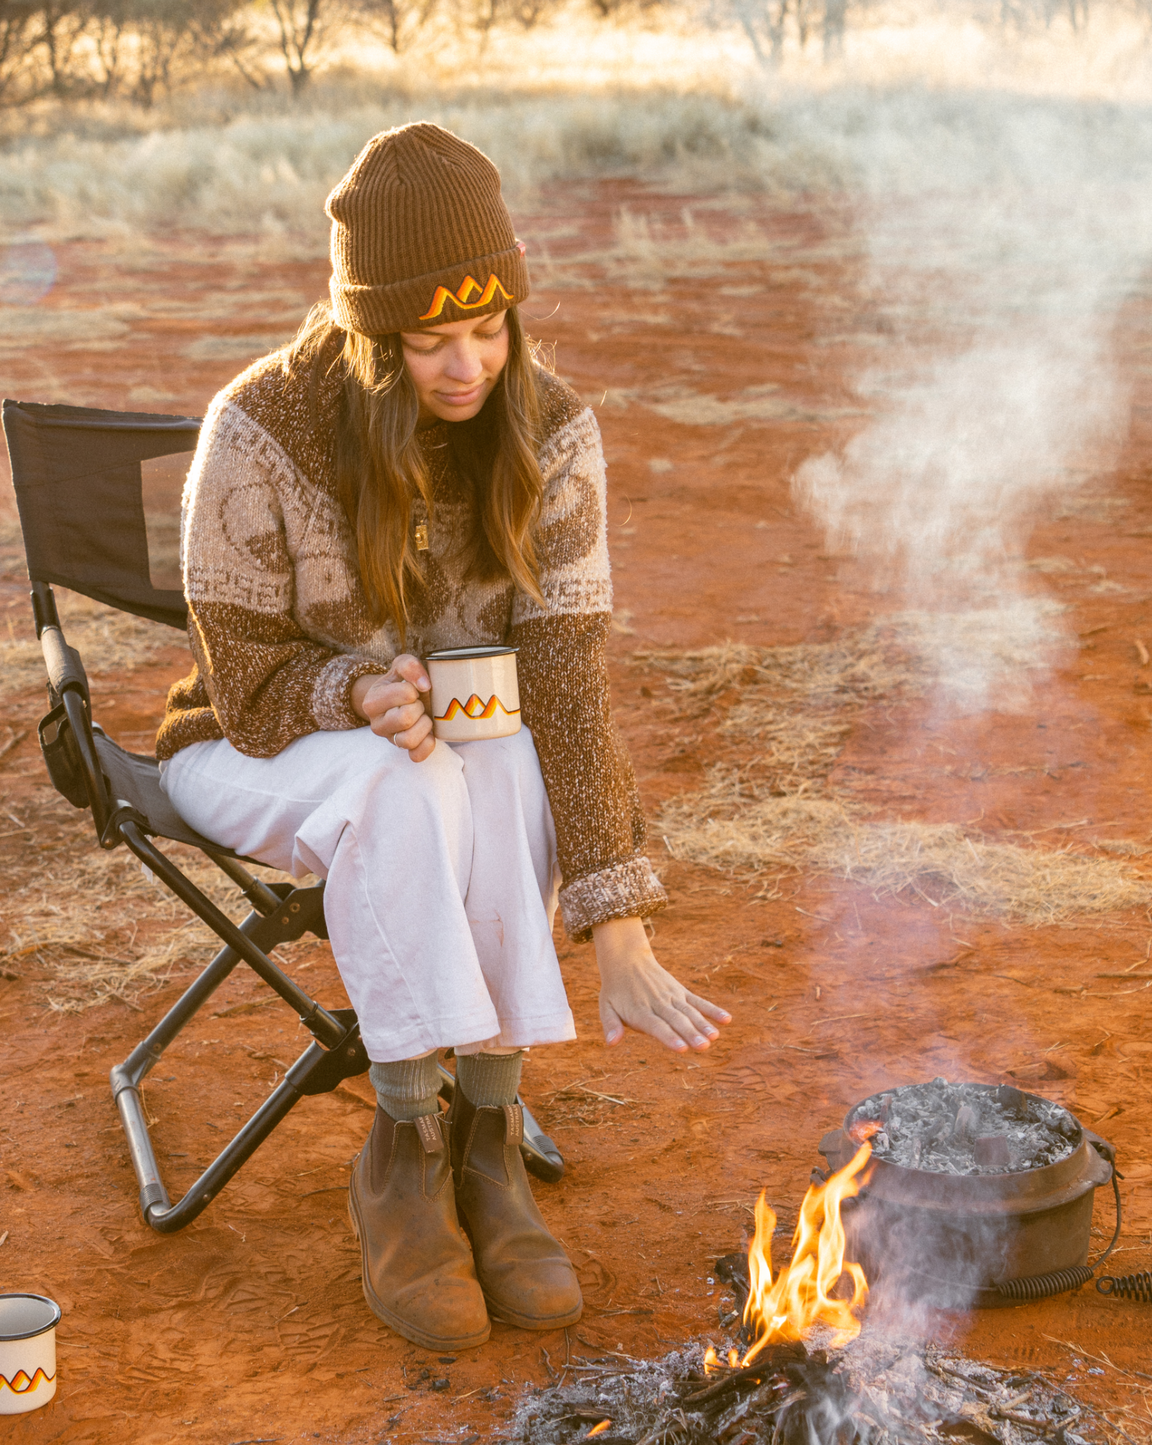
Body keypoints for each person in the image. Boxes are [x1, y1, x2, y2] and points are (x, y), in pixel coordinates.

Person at [155, 122, 731, 1351]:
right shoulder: (256, 427)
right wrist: (351, 692)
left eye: (489, 328)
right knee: (397, 778)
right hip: (254, 747)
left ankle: (487, 1136)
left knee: (503, 752)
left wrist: (616, 923)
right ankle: (402, 1146)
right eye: (428, 342)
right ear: (372, 338)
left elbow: (567, 681)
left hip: (438, 763)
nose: (467, 365)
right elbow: (238, 672)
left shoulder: (551, 434)